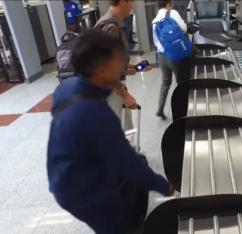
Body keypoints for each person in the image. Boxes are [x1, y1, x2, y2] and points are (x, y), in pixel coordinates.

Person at [47, 29, 174, 234]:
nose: (123, 66)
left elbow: (71, 129)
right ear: (101, 70)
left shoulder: (67, 88)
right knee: (113, 225)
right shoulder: (97, 113)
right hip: (84, 192)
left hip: (61, 178)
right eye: (118, 61)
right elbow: (128, 163)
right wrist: (162, 185)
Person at [95, 0, 152, 131]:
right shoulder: (111, 27)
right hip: (110, 89)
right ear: (122, 2)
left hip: (113, 87)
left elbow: (112, 61)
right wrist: (124, 94)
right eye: (131, 2)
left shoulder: (113, 23)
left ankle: (129, 149)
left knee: (126, 124)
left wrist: (133, 66)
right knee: (115, 128)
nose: (132, 5)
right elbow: (105, 66)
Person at [153, 0, 193, 119]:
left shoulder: (155, 20)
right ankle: (181, 112)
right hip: (175, 56)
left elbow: (156, 41)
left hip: (161, 55)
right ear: (168, 3)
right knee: (181, 83)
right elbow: (184, 28)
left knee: (165, 82)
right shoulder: (172, 13)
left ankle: (160, 108)